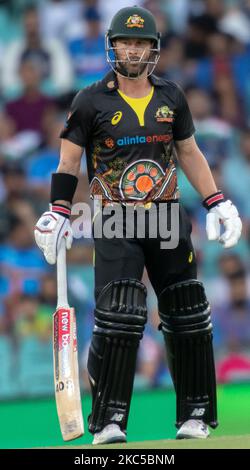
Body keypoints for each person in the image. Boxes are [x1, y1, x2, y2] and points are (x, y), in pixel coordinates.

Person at [34, 6, 242, 444]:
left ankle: (196, 414)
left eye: (142, 43)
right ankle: (109, 421)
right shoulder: (89, 101)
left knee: (187, 312)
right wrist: (57, 209)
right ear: (113, 48)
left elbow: (189, 152)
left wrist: (216, 201)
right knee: (119, 314)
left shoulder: (172, 97)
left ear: (154, 49)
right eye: (126, 42)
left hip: (167, 215)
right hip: (113, 217)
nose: (133, 49)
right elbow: (69, 162)